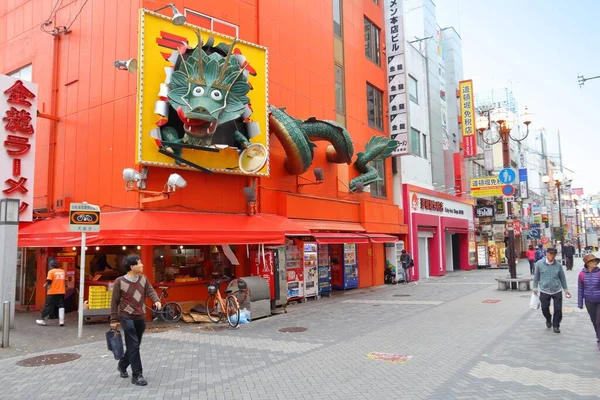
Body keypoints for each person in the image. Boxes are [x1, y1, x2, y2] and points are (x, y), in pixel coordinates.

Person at [110, 255, 162, 386]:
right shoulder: (119, 281)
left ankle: (122, 365)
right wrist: (114, 319)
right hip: (126, 316)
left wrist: (156, 300)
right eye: (140, 263)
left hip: (140, 316)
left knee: (135, 345)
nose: (143, 265)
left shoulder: (143, 279)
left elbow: (150, 291)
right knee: (133, 345)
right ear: (132, 267)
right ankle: (137, 375)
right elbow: (114, 301)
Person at [533, 248, 571, 333]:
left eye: (554, 254)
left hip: (557, 290)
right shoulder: (539, 264)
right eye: (550, 254)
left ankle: (556, 325)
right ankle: (548, 318)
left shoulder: (558, 265)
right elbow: (536, 277)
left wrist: (566, 289)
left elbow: (562, 278)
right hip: (544, 290)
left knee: (558, 309)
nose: (552, 256)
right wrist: (535, 288)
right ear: (546, 254)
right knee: (544, 308)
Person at [577, 254, 600, 351]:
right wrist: (580, 303)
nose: (595, 262)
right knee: (594, 321)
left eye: (595, 261)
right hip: (589, 301)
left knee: (599, 321)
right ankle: (598, 337)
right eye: (592, 261)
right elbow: (580, 289)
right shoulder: (581, 274)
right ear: (587, 263)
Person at [36, 259, 66, 326]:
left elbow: (49, 281)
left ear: (51, 266)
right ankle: (61, 321)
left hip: (52, 291)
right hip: (61, 291)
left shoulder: (51, 272)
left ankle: (43, 320)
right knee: (61, 305)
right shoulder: (62, 271)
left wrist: (45, 285)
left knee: (47, 306)